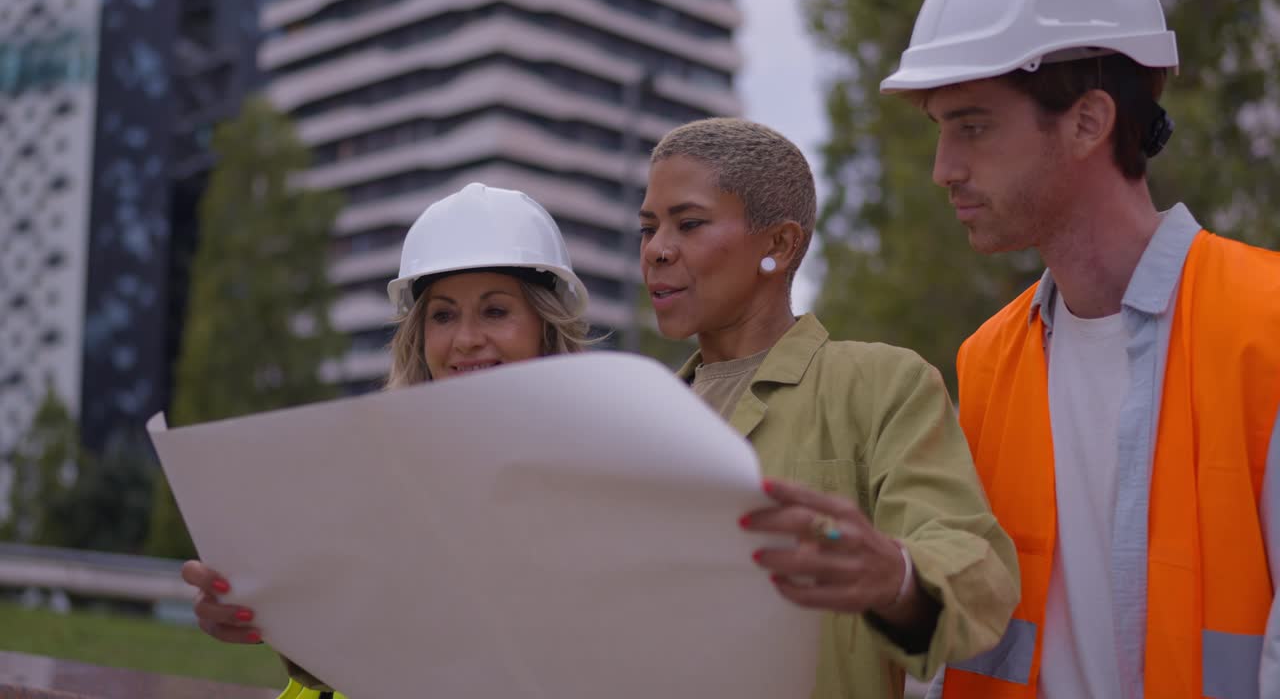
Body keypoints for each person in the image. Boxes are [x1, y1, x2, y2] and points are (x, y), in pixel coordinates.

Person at [879, 0, 1280, 697]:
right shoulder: (988, 361)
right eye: (940, 129)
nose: (944, 169)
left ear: (1088, 121)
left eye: (972, 126)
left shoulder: (1267, 323)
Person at [644, 117, 1019, 699]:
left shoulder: (881, 385)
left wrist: (894, 575)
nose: (657, 251)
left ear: (779, 244)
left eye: (687, 224)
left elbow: (972, 567)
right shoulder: (640, 422)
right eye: (648, 228)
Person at [179, 182, 594, 698]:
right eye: (443, 315)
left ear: (546, 326)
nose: (465, 339)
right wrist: (256, 609)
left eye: (495, 311)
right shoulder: (367, 476)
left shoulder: (590, 485)